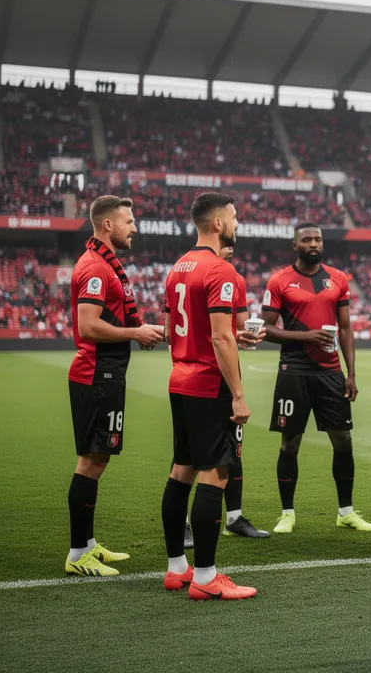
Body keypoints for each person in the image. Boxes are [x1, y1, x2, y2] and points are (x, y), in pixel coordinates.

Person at [161, 192, 257, 600]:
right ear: (217, 223)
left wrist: (232, 338)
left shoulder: (177, 267)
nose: (236, 222)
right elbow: (220, 336)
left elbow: (172, 333)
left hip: (179, 379)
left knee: (181, 469)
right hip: (208, 384)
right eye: (233, 216)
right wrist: (237, 394)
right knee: (215, 473)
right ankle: (205, 578)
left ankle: (176, 569)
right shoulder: (219, 270)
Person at [64, 195, 164, 577]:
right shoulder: (94, 268)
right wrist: (135, 332)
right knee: (91, 461)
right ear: (108, 225)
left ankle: (88, 544)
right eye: (129, 220)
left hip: (106, 374)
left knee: (98, 460)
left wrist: (144, 330)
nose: (134, 227)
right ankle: (77, 555)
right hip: (95, 375)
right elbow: (88, 325)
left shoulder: (105, 265)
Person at [260, 222, 371, 533]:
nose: (314, 243)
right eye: (307, 239)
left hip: (330, 373)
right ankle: (287, 513)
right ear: (294, 245)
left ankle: (346, 512)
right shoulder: (280, 281)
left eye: (318, 239)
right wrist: (306, 336)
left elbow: (346, 328)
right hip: (293, 371)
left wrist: (351, 374)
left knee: (343, 441)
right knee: (291, 443)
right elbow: (265, 329)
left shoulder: (338, 279)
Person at [183, 243, 269, 548]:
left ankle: (234, 518)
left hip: (223, 374)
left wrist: (247, 334)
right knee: (191, 456)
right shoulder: (201, 273)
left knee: (233, 450)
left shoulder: (235, 279)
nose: (231, 245)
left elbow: (237, 327)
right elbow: (213, 333)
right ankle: (184, 524)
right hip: (202, 376)